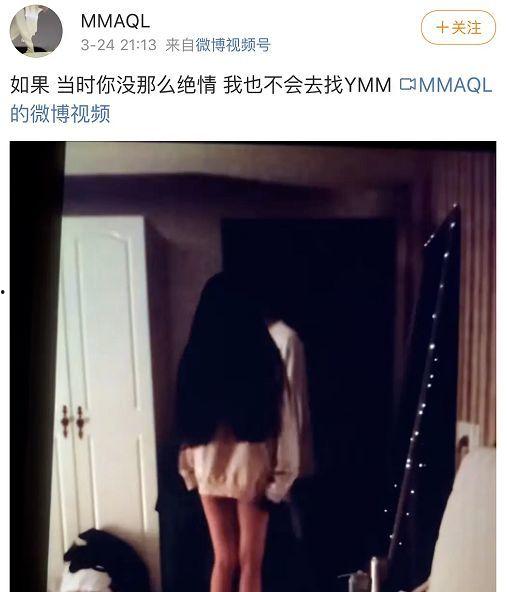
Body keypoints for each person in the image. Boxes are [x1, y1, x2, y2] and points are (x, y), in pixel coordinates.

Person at [176, 273, 302, 592]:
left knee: (223, 559)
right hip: (252, 470)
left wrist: (189, 471)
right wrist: (282, 479)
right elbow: (285, 424)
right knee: (250, 564)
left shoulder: (194, 360)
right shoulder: (264, 360)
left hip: (208, 469)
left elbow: (185, 423)